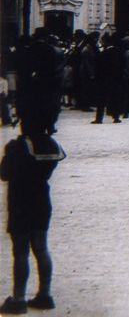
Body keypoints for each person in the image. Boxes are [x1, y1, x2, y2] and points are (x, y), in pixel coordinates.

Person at [1, 120, 65, 315]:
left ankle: (18, 298)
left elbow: (4, 174)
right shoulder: (51, 145)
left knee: (20, 251)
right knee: (41, 247)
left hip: (20, 201)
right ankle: (44, 294)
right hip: (42, 200)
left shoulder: (19, 147)